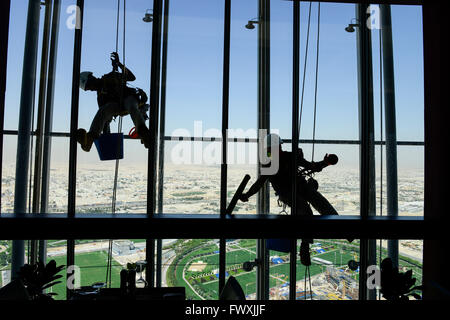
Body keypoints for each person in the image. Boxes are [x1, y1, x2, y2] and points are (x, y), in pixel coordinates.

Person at [239, 133, 343, 265]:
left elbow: (259, 183)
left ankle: (329, 232)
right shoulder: (284, 159)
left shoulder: (276, 162)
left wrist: (246, 195)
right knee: (308, 208)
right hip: (292, 190)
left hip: (292, 190)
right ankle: (307, 244)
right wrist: (326, 162)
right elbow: (312, 167)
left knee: (316, 203)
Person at [76, 52, 150, 152]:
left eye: (90, 85)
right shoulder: (100, 96)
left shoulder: (110, 76)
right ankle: (90, 138)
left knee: (131, 106)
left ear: (91, 78)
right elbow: (105, 118)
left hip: (128, 97)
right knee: (103, 110)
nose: (92, 89)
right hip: (118, 106)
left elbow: (131, 77)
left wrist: (119, 64)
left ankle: (143, 132)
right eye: (89, 88)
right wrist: (107, 135)